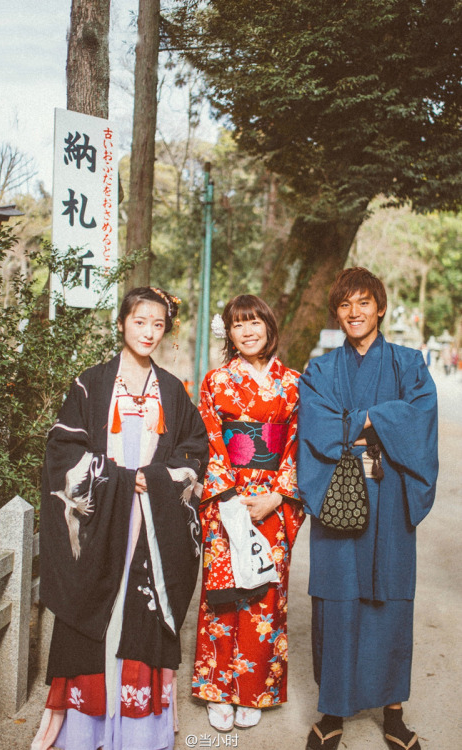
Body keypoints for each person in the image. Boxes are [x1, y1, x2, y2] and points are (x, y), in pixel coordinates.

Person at [32, 287, 209, 750]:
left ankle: (137, 733)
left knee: (142, 617)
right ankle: (85, 730)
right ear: (121, 323)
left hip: (151, 525)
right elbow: (62, 452)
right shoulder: (90, 384)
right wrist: (117, 479)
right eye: (139, 322)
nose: (149, 332)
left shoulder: (172, 390)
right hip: (100, 527)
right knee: (94, 617)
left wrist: (158, 478)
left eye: (157, 324)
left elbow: (195, 450)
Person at [297, 268, 438, 750]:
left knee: (392, 599)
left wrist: (362, 421)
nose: (354, 313)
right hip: (339, 493)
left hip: (392, 494)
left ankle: (393, 713)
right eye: (345, 305)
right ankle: (332, 711)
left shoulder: (409, 363)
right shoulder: (320, 370)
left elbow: (419, 417)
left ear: (380, 307)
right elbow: (316, 426)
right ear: (336, 313)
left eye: (364, 303)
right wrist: (380, 416)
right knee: (337, 600)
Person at [192, 295, 305, 731]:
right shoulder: (216, 381)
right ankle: (218, 689)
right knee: (224, 592)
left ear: (269, 327)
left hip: (273, 499)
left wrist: (279, 496)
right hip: (228, 500)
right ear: (229, 333)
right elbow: (210, 440)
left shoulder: (293, 383)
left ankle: (255, 690)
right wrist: (228, 497)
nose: (247, 331)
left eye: (254, 322)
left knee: (265, 595)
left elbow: (296, 443)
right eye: (238, 325)